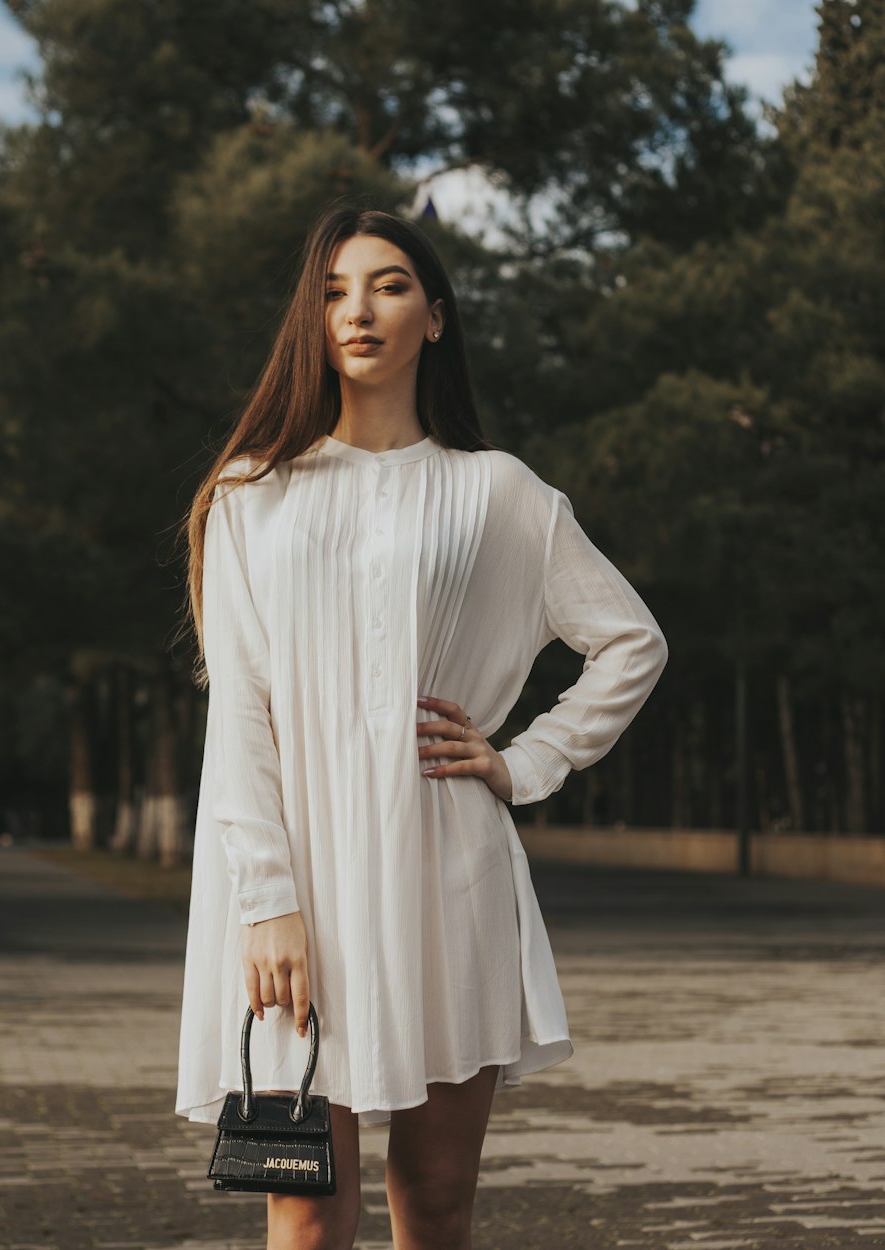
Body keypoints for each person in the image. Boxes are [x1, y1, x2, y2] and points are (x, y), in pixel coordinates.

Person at [175, 201, 668, 1250]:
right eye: (333, 290)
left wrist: (525, 756)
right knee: (306, 1210)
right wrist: (266, 901)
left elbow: (631, 640)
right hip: (293, 887)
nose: (358, 309)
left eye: (389, 284)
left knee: (437, 1206)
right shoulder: (248, 496)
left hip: (447, 875)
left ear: (434, 318)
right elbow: (242, 714)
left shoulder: (499, 493)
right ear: (310, 320)